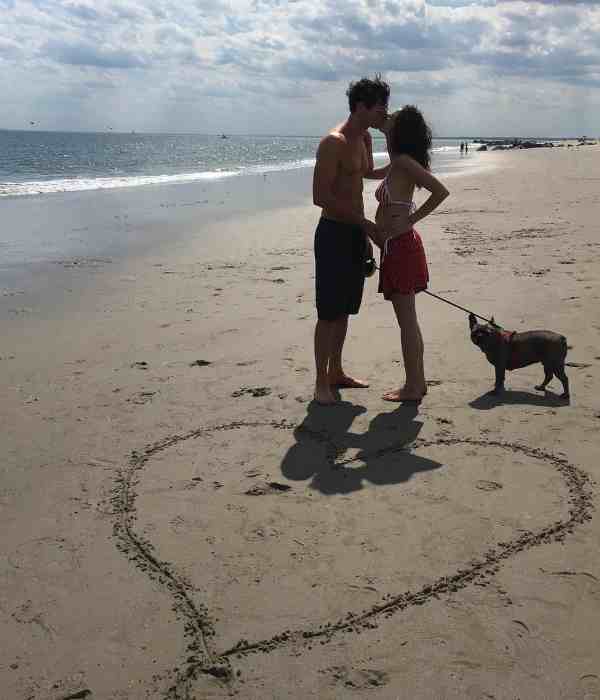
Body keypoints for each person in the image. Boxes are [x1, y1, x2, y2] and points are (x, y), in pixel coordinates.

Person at [312, 76, 391, 405]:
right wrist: (364, 223)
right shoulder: (335, 142)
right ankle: (320, 383)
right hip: (333, 233)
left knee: (345, 309)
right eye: (379, 109)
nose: (383, 116)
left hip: (357, 232)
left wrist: (397, 166)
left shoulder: (365, 139)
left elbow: (365, 174)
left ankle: (337, 372)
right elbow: (320, 196)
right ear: (361, 107)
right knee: (328, 312)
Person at [373, 106, 449, 402]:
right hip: (396, 248)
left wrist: (411, 219)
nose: (387, 117)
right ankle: (418, 382)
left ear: (400, 130)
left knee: (406, 322)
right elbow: (368, 171)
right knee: (409, 320)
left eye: (394, 117)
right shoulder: (396, 163)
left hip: (402, 246)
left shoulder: (404, 162)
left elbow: (440, 191)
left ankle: (413, 386)